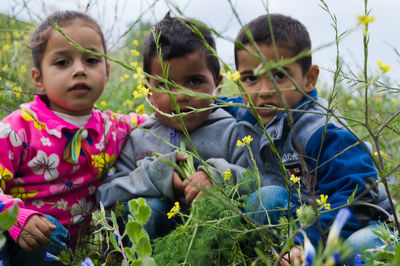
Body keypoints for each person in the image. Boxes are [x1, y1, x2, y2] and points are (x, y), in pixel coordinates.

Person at [222, 13, 390, 265]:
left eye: (279, 75)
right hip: (308, 217)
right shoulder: (253, 112)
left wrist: (305, 241)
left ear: (309, 78)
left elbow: (357, 197)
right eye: (250, 78)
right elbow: (225, 104)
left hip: (364, 221)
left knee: (359, 249)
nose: (264, 90)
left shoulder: (325, 132)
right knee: (262, 200)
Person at [0, 10, 144, 265]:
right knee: (45, 234)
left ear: (107, 71)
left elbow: (158, 125)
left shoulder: (112, 128)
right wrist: (16, 219)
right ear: (38, 78)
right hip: (22, 246)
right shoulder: (18, 128)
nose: (79, 70)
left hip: (77, 251)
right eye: (62, 63)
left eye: (91, 60)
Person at [96, 13, 247, 239]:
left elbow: (255, 180)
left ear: (217, 84)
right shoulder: (139, 138)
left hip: (219, 241)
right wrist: (157, 176)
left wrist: (217, 176)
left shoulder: (231, 130)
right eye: (165, 85)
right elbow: (106, 195)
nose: (180, 96)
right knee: (147, 209)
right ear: (148, 91)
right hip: (155, 252)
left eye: (194, 81)